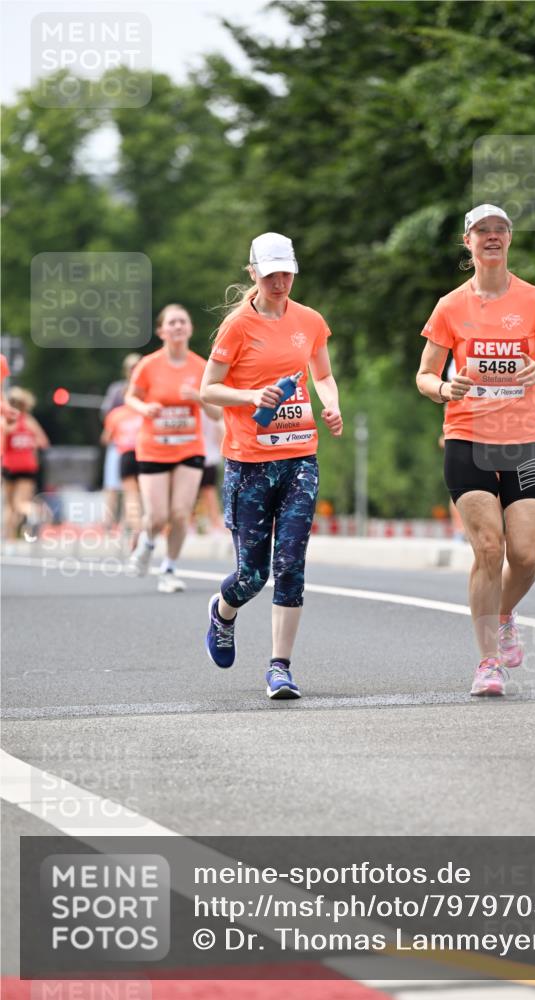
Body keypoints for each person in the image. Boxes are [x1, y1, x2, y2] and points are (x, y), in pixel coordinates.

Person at [416, 204, 535, 697]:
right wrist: (445, 388)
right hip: (468, 438)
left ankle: (503, 615)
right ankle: (487, 663)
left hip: (524, 440)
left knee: (525, 557)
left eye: (500, 229)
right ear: (468, 242)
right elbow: (424, 375)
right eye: (483, 231)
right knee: (489, 548)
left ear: (510, 239)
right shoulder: (449, 307)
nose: (493, 237)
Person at [199, 232, 343, 699]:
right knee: (252, 576)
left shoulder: (310, 321)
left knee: (291, 565)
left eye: (288, 273)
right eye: (272, 274)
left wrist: (331, 404)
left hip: (300, 456)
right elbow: (208, 388)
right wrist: (249, 396)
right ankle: (223, 612)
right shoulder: (238, 327)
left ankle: (279, 667)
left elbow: (321, 373)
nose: (281, 282)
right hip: (250, 463)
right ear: (254, 274)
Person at [125, 305, 221, 593]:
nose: (178, 326)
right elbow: (130, 398)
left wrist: (199, 398)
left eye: (183, 321)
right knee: (157, 516)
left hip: (189, 447)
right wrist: (145, 408)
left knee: (180, 513)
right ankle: (147, 543)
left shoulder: (201, 367)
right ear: (161, 331)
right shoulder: (148, 365)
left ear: (190, 329)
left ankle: (169, 568)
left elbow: (217, 413)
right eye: (172, 322)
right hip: (154, 447)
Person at [1, 386, 50, 540]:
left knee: (11, 505)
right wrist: (29, 444)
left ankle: (9, 538)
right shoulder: (30, 422)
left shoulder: (7, 421)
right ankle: (31, 512)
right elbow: (43, 443)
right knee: (21, 502)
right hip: (28, 466)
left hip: (10, 466)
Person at [100, 353, 141, 530]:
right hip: (119, 442)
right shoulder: (117, 390)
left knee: (133, 489)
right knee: (113, 485)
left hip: (138, 444)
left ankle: (128, 523)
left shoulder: (147, 388)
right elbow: (107, 415)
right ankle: (109, 522)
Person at [101, 402, 143, 549]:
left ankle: (135, 526)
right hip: (145, 454)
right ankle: (132, 524)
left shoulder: (116, 414)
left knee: (130, 494)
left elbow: (106, 438)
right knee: (141, 494)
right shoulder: (145, 410)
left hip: (126, 453)